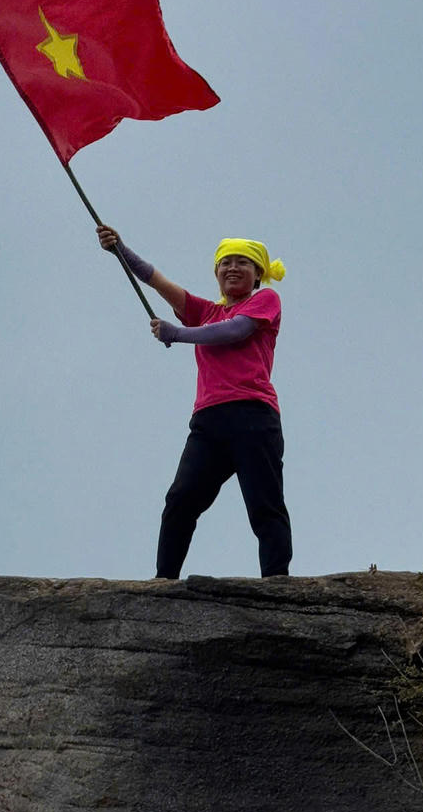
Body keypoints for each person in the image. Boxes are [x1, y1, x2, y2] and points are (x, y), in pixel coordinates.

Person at [97, 225, 292, 579]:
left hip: (253, 414)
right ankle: (163, 581)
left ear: (258, 273)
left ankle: (278, 582)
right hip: (208, 422)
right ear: (216, 273)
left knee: (264, 505)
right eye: (225, 263)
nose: (232, 268)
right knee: (181, 500)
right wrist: (120, 250)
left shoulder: (265, 301)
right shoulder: (205, 311)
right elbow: (157, 280)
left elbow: (235, 331)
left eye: (242, 263)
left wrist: (179, 334)